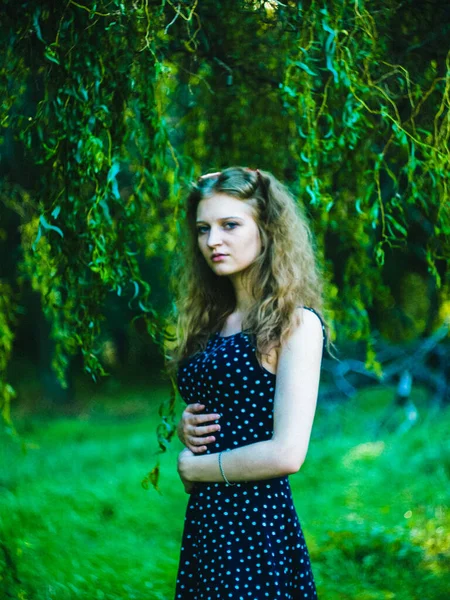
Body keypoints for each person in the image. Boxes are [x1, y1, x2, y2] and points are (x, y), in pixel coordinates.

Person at [168, 166, 329, 599]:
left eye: (230, 225)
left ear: (268, 229)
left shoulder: (295, 324)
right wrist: (189, 427)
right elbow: (227, 408)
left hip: (256, 528)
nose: (212, 241)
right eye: (203, 229)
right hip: (207, 521)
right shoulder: (213, 320)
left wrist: (197, 466)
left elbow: (287, 452)